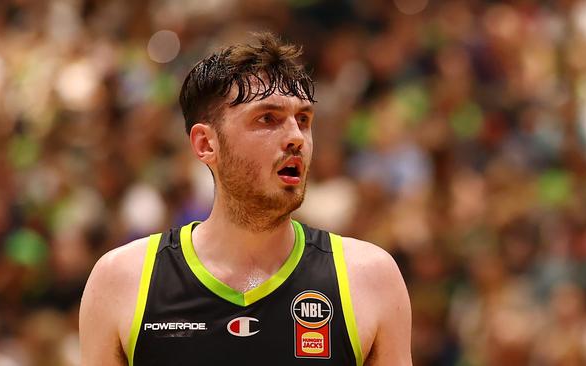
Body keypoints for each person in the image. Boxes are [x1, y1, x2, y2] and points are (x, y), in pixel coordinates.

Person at [79, 32, 412, 366]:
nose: (296, 137)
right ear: (206, 145)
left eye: (304, 120)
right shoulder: (122, 281)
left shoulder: (369, 278)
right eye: (267, 119)